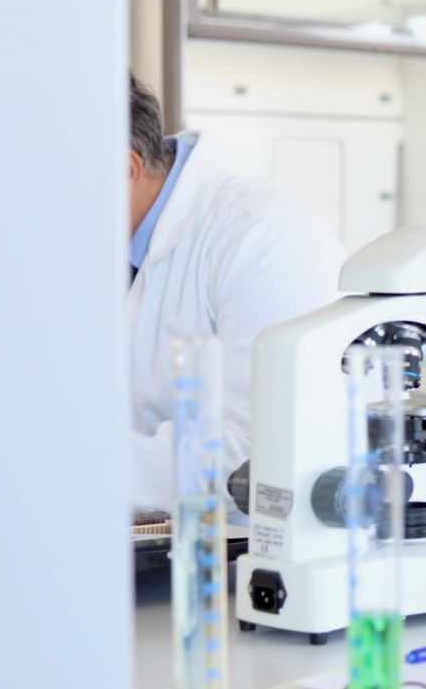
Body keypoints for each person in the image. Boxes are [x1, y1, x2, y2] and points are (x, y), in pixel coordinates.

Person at [126, 75, 341, 509]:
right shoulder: (113, 247)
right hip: (161, 534)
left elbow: (254, 451)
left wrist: (68, 460)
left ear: (125, 170)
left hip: (274, 540)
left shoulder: (262, 233)